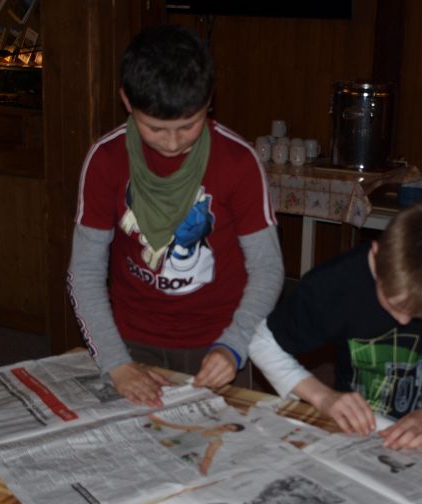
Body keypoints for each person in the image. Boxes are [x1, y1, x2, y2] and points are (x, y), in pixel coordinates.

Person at [67, 24, 284, 408]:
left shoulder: (238, 162)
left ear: (208, 100)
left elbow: (267, 268)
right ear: (127, 101)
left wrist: (234, 345)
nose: (172, 143)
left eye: (188, 126)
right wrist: (116, 363)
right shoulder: (105, 159)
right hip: (130, 341)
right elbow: (84, 272)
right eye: (155, 128)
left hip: (219, 340)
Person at [249, 200, 422, 451]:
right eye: (395, 304)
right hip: (360, 427)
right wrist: (323, 397)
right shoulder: (333, 284)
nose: (404, 321)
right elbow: (264, 344)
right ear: (376, 255)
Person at [146, 414, 245, 475]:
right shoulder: (199, 428)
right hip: (166, 442)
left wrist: (204, 469)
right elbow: (175, 426)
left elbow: (208, 456)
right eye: (226, 425)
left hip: (175, 450)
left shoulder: (217, 440)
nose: (224, 427)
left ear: (230, 432)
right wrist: (156, 419)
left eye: (230, 429)